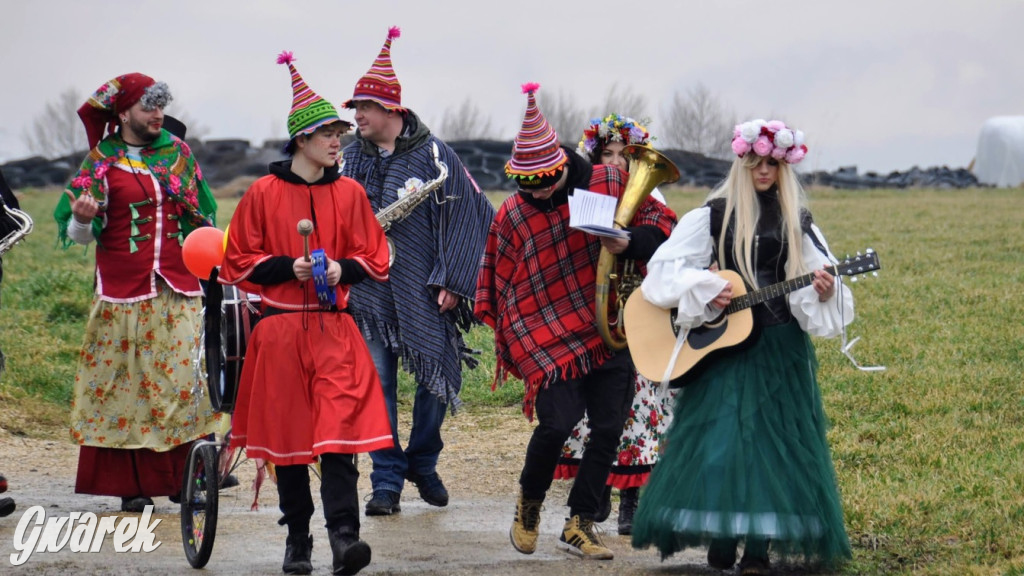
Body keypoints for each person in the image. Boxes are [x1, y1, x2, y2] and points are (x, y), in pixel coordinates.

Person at [630, 119, 854, 575]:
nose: (764, 170)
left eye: (772, 163)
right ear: (742, 161)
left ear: (783, 166)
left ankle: (758, 546)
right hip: (726, 347)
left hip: (780, 345)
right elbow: (664, 270)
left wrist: (826, 290)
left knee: (774, 445)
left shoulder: (798, 219)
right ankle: (723, 535)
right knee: (723, 440)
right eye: (755, 161)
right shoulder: (713, 214)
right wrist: (704, 286)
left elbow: (819, 272)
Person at [474, 84, 676, 560]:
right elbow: (501, 279)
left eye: (544, 184)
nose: (538, 193)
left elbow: (665, 225)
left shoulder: (608, 180)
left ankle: (581, 524)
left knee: (608, 428)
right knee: (555, 424)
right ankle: (530, 503)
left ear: (561, 166)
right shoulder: (514, 212)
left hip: (613, 326)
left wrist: (632, 241)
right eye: (528, 187)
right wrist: (514, 331)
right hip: (547, 333)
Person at [217, 52, 392, 576]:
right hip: (278, 332)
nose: (338, 140)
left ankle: (344, 538)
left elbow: (376, 255)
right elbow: (237, 260)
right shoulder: (262, 194)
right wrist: (284, 267)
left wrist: (343, 269)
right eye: (327, 134)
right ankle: (298, 540)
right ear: (301, 141)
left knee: (339, 438)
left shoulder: (351, 192)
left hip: (334, 329)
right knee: (290, 446)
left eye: (340, 133)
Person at [339, 26, 495, 516]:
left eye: (365, 107)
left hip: (428, 292)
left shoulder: (435, 156)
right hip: (368, 294)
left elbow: (471, 214)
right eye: (355, 107)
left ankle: (423, 461)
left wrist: (453, 279)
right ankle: (385, 481)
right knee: (377, 384)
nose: (357, 116)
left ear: (393, 112)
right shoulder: (345, 161)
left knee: (433, 380)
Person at [54, 73, 223, 513]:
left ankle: (187, 480)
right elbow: (80, 235)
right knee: (125, 389)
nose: (157, 114)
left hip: (176, 290)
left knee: (182, 385)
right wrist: (82, 218)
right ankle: (132, 486)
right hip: (122, 295)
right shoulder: (102, 161)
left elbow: (200, 218)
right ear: (124, 112)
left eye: (161, 106)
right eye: (148, 107)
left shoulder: (178, 153)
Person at [553, 114, 677, 536]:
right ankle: (599, 485)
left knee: (641, 409)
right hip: (594, 314)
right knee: (597, 412)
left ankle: (633, 500)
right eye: (607, 154)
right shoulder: (585, 194)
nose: (618, 164)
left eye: (626, 156)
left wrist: (632, 243)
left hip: (640, 315)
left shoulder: (651, 202)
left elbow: (667, 238)